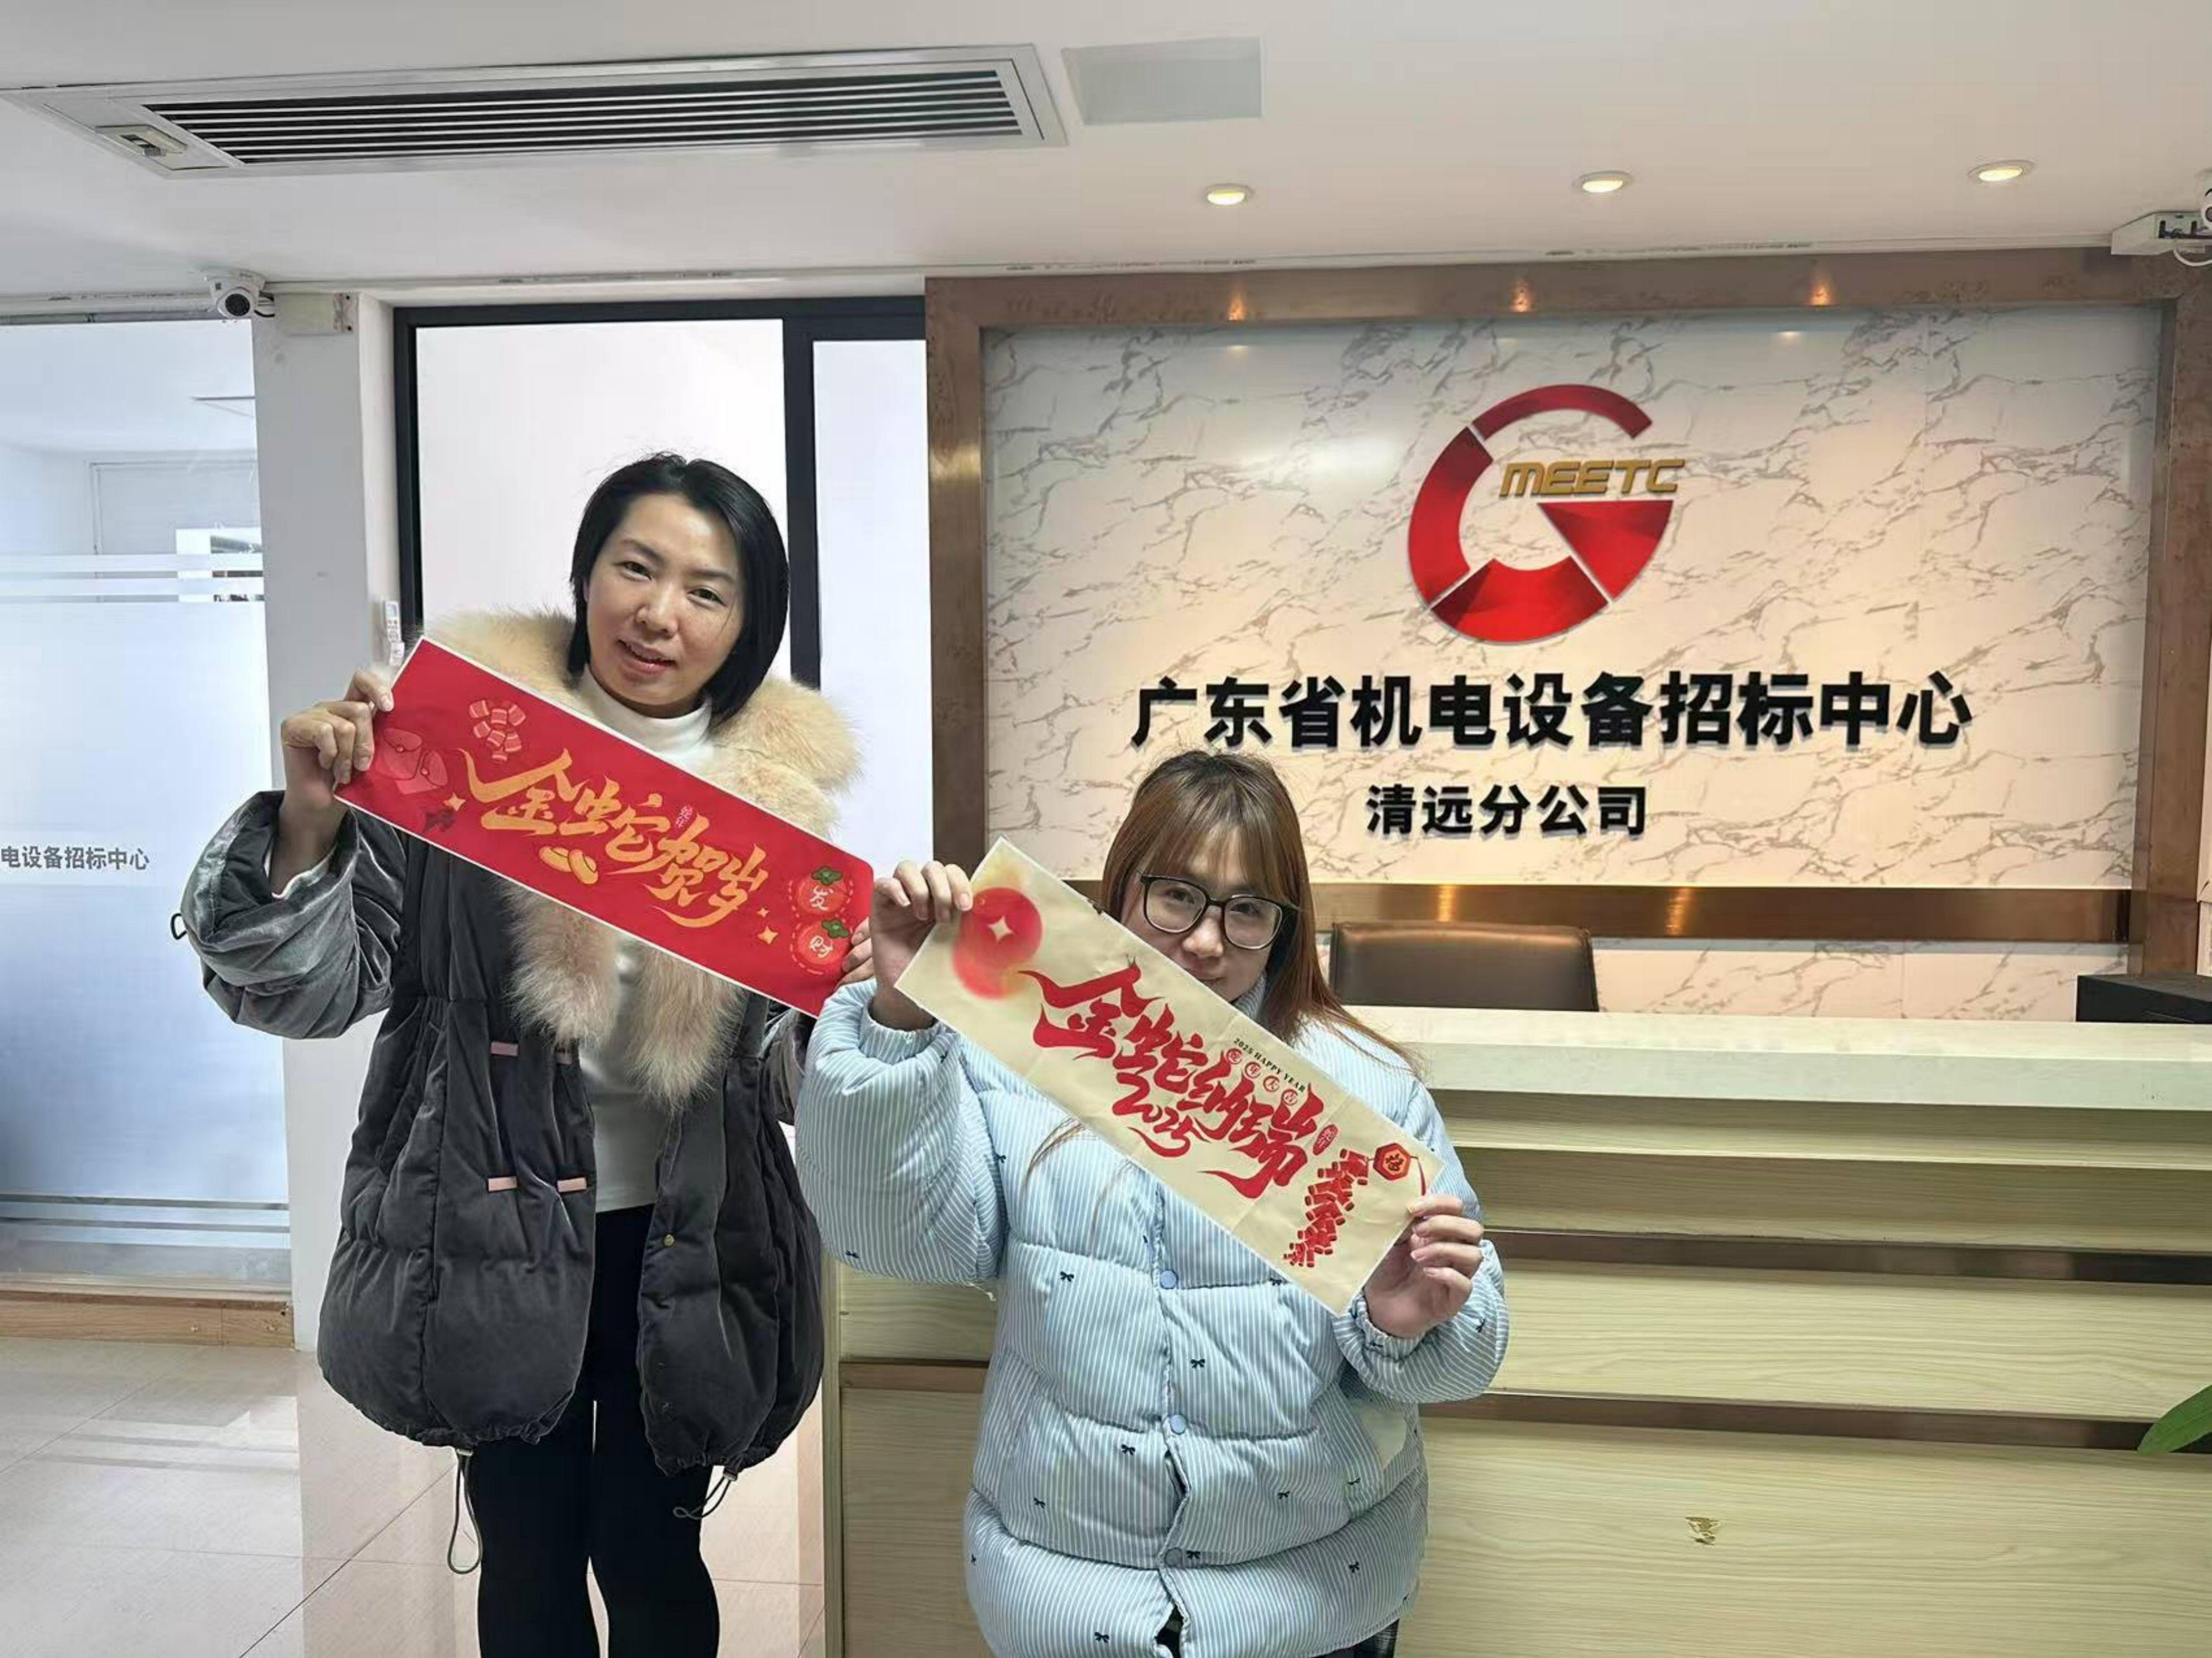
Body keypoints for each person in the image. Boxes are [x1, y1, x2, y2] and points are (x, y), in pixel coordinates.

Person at [180, 453, 866, 1658]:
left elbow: (788, 1075)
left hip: (686, 1235)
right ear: (586, 574)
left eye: (707, 591)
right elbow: (310, 991)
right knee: (527, 1546)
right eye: (636, 568)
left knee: (653, 1549)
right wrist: (310, 820)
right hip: (484, 1222)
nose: (660, 613)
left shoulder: (772, 808)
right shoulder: (461, 753)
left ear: (748, 620)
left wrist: (862, 1006)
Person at [795, 750, 1508, 1658]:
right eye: (1176, 895)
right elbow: (895, 1242)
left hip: (1314, 1590)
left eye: (1247, 910)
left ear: (1285, 927)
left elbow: (1465, 1356)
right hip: (1071, 1588)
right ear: (1121, 887)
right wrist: (901, 1019)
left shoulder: (1364, 1089)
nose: (1207, 941)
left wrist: (1406, 1327)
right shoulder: (1014, 1048)